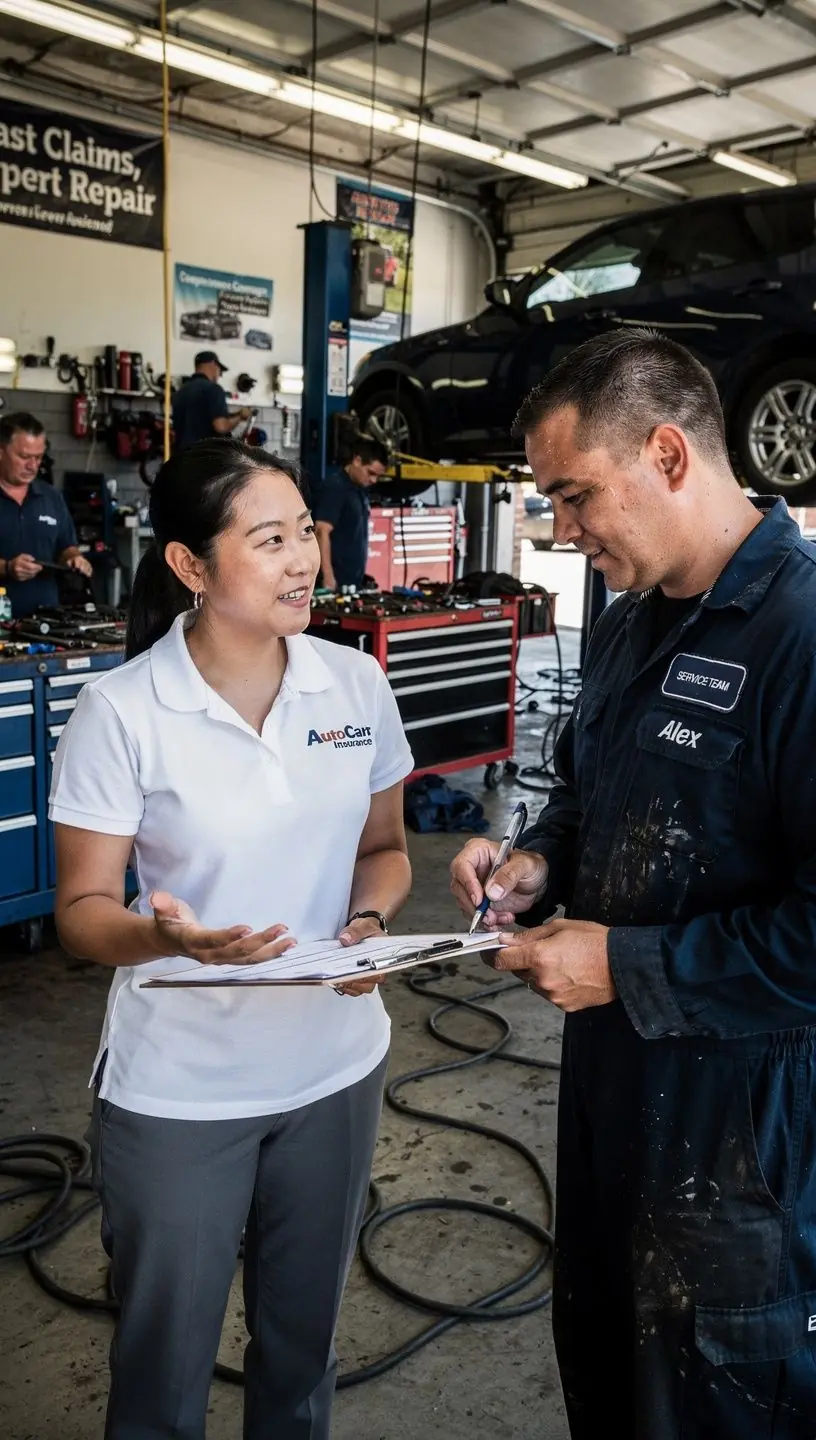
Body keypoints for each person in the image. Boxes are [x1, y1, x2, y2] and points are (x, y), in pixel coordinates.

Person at [450, 328, 816, 1438]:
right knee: (610, 1375)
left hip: (743, 1137)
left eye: (575, 497)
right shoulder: (627, 620)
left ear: (667, 454)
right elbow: (584, 788)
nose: (562, 533)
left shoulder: (801, 641)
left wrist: (624, 963)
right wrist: (539, 860)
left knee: (715, 1401)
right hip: (615, 1093)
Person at [49, 437, 413, 1439]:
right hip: (182, 1092)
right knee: (162, 1371)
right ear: (190, 566)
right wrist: (172, 942)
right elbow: (82, 914)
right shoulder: (121, 711)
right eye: (268, 539)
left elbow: (384, 849)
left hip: (335, 1071)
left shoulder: (354, 686)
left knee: (300, 1358)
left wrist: (370, 921)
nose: (303, 558)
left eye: (305, 531)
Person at [0, 411, 92, 616]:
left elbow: (66, 546)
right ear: (1, 451)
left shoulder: (51, 497)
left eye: (38, 457)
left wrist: (75, 558)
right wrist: (7, 568)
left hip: (45, 621)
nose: (33, 465)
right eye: (24, 457)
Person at [314, 435, 388, 591]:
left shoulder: (359, 489)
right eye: (371, 473)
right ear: (357, 460)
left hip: (351, 582)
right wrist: (327, 575)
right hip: (333, 583)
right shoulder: (335, 487)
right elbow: (321, 530)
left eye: (378, 476)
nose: (374, 480)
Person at [172, 350, 252, 451]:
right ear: (213, 364)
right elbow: (221, 427)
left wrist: (235, 414)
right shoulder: (214, 389)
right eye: (220, 371)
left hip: (181, 458)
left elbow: (198, 418)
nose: (219, 376)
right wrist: (241, 416)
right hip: (204, 458)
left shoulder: (180, 392)